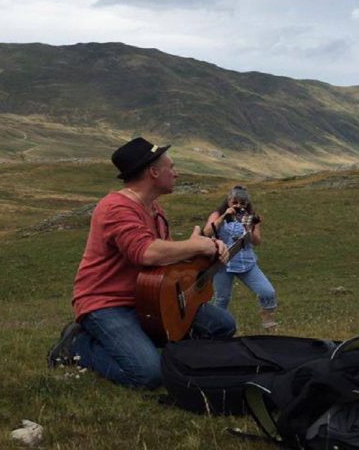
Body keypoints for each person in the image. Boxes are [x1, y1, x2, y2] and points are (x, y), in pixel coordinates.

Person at [46, 137, 236, 389]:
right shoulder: (116, 207)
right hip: (107, 303)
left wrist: (201, 253)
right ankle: (79, 345)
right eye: (172, 167)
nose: (176, 174)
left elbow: (164, 260)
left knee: (223, 325)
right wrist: (196, 245)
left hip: (148, 298)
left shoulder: (154, 209)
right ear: (153, 172)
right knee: (148, 375)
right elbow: (145, 253)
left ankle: (163, 353)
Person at [202, 185, 277, 330]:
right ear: (228, 201)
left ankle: (267, 318)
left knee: (267, 291)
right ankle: (216, 328)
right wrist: (224, 217)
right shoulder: (218, 214)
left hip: (246, 263)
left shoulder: (250, 217)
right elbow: (207, 232)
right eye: (234, 202)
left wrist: (249, 228)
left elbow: (257, 241)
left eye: (242, 203)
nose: (238, 206)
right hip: (222, 264)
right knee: (222, 298)